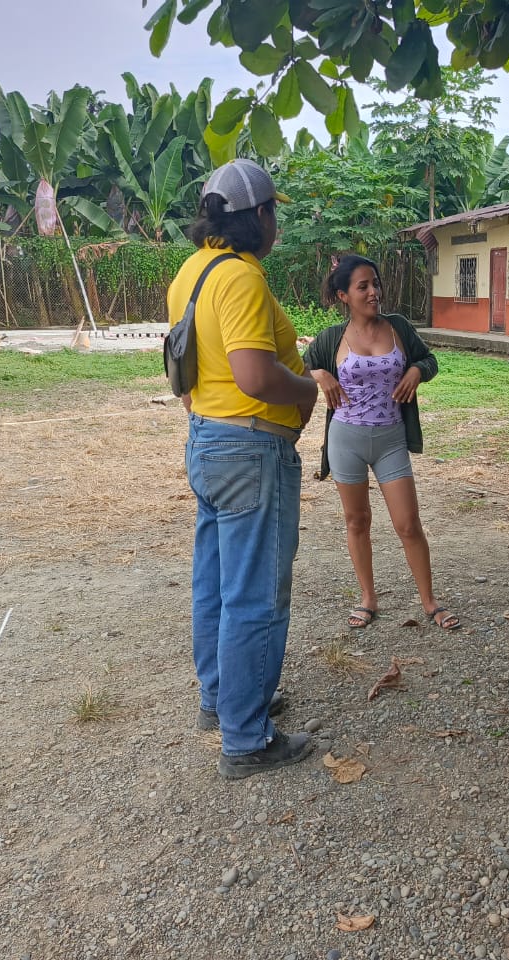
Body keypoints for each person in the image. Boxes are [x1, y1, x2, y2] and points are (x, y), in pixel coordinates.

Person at [170, 159, 319, 780]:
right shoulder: (242, 278)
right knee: (255, 593)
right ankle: (247, 738)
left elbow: (182, 370)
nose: (276, 222)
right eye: (273, 212)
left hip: (208, 440)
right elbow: (255, 375)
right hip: (251, 449)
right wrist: (308, 390)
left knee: (214, 583)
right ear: (258, 215)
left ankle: (222, 699)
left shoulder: (191, 272)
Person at [302, 254, 460, 631]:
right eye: (363, 287)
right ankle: (368, 598)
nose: (374, 292)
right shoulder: (331, 338)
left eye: (376, 283)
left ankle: (430, 601)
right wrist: (319, 374)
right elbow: (298, 366)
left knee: (408, 524)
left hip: (391, 439)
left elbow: (429, 360)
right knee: (357, 521)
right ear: (344, 295)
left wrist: (417, 370)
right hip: (346, 440)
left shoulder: (398, 327)